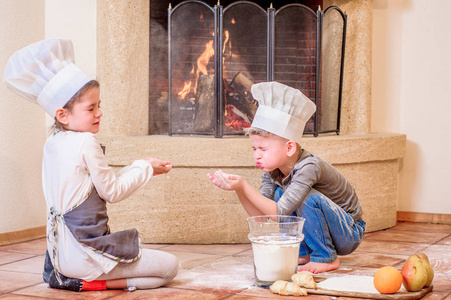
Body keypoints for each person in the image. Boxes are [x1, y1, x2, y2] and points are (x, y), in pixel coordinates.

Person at [3, 39, 178, 292]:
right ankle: (85, 283)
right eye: (91, 108)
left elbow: (98, 184)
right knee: (169, 267)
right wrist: (146, 169)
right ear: (63, 114)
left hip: (59, 255)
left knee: (157, 271)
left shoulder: (52, 141)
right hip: (84, 255)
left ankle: (71, 278)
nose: (99, 113)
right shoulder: (86, 141)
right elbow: (112, 192)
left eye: (99, 105)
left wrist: (143, 165)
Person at [208, 81, 366, 274]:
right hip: (330, 229)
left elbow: (280, 212)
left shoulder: (309, 167)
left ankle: (325, 257)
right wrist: (239, 189)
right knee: (279, 195)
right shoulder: (272, 171)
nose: (256, 155)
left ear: (290, 147)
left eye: (263, 149)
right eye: (254, 148)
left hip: (348, 231)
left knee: (306, 198)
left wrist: (244, 185)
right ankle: (305, 252)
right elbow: (262, 217)